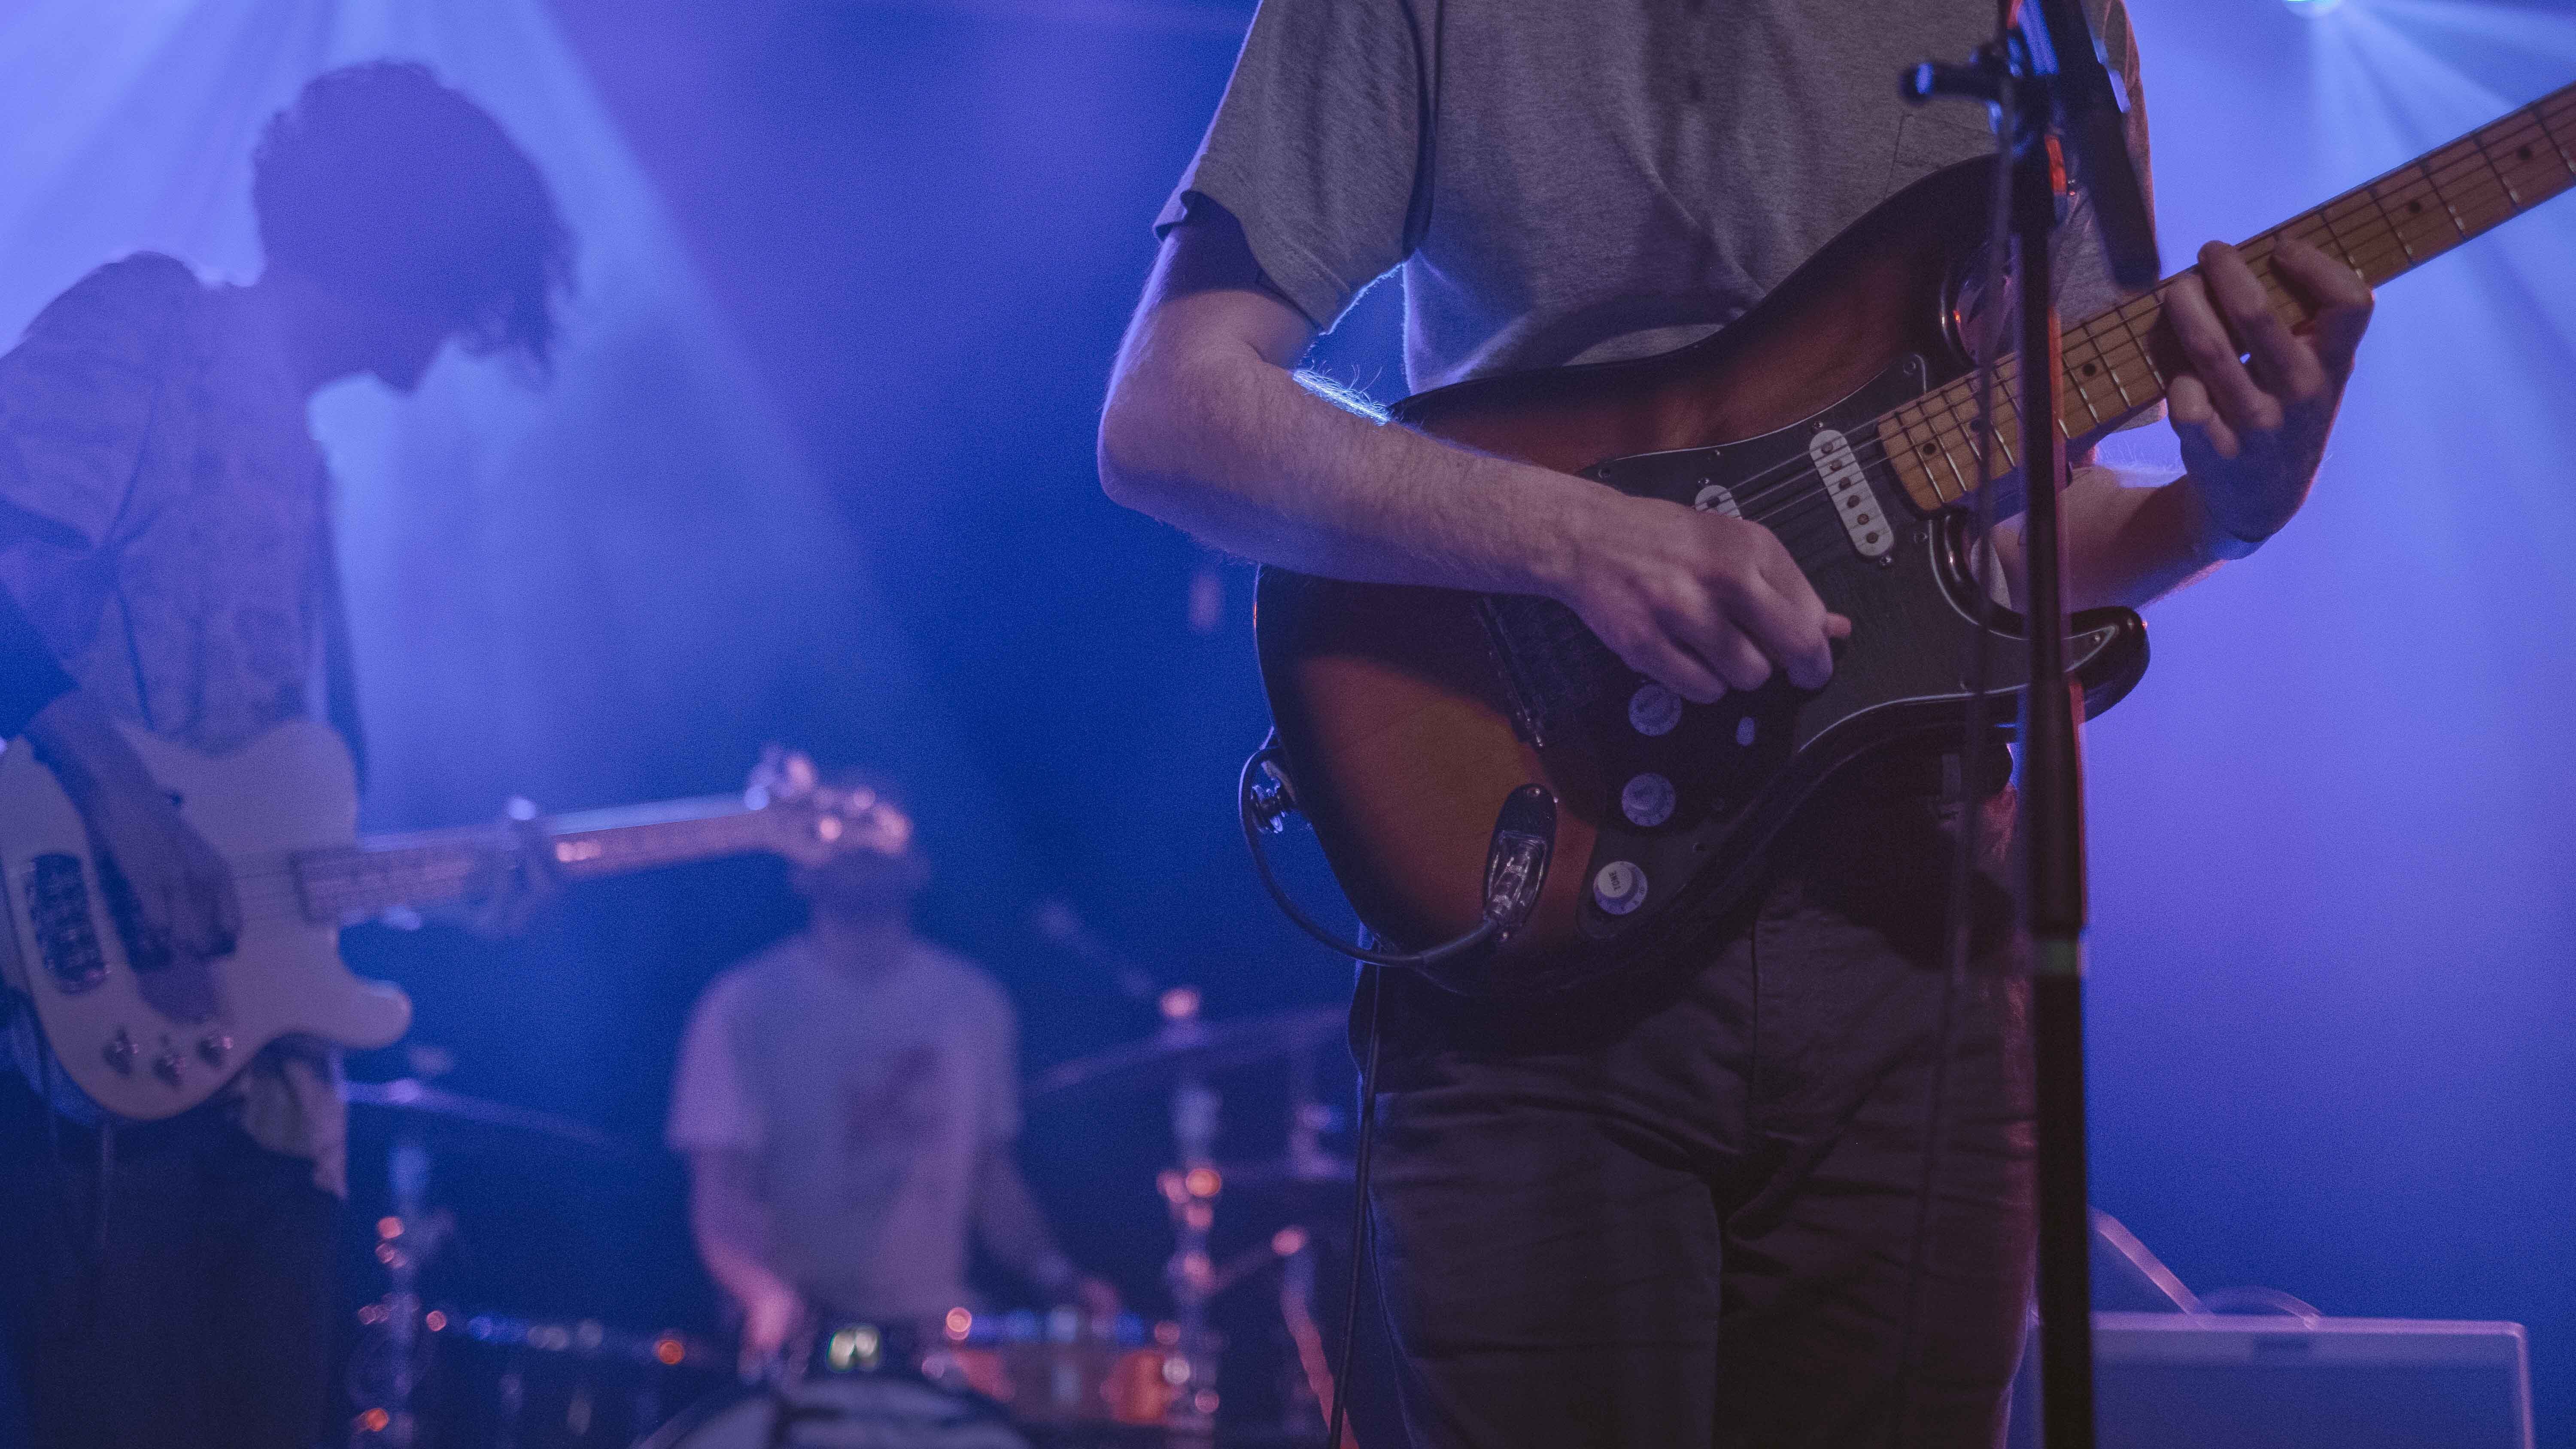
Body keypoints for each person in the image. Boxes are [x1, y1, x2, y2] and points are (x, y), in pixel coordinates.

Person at [1096, 2, 2373, 1445]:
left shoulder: (2043, 17)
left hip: (1916, 939)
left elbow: (2009, 530)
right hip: (1547, 908)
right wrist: (1571, 537)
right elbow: (1169, 411)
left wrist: (2228, 510)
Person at [0, 61, 574, 1449]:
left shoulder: (307, 463)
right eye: (468, 283)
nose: (462, 331)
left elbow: (277, 835)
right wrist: (126, 803)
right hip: (89, 1072)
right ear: (419, 247)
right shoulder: (148, 326)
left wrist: (442, 883)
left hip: (265, 1111)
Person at [668, 773, 1117, 1376]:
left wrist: (1058, 1277)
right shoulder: (745, 1004)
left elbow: (988, 1176)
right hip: (800, 1347)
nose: (860, 854)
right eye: (840, 837)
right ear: (800, 863)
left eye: (877, 835)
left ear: (917, 863)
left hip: (935, 1343)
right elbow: (721, 1191)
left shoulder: (972, 1003)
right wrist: (765, 1297)